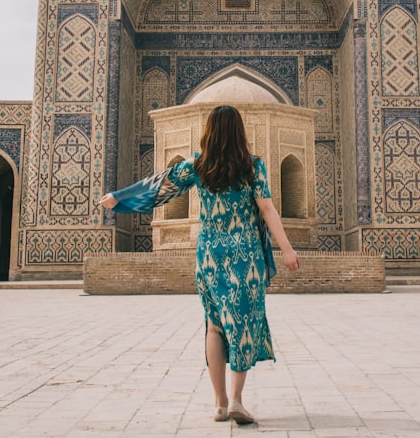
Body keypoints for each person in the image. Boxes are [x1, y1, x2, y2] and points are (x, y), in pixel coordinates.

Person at [99, 105, 299, 425]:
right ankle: (236, 399)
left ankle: (220, 403)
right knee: (243, 324)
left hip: (210, 254)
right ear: (240, 132)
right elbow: (267, 209)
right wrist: (287, 249)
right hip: (245, 255)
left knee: (215, 325)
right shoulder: (253, 167)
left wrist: (119, 198)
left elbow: (158, 187)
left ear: (209, 131)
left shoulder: (197, 165)